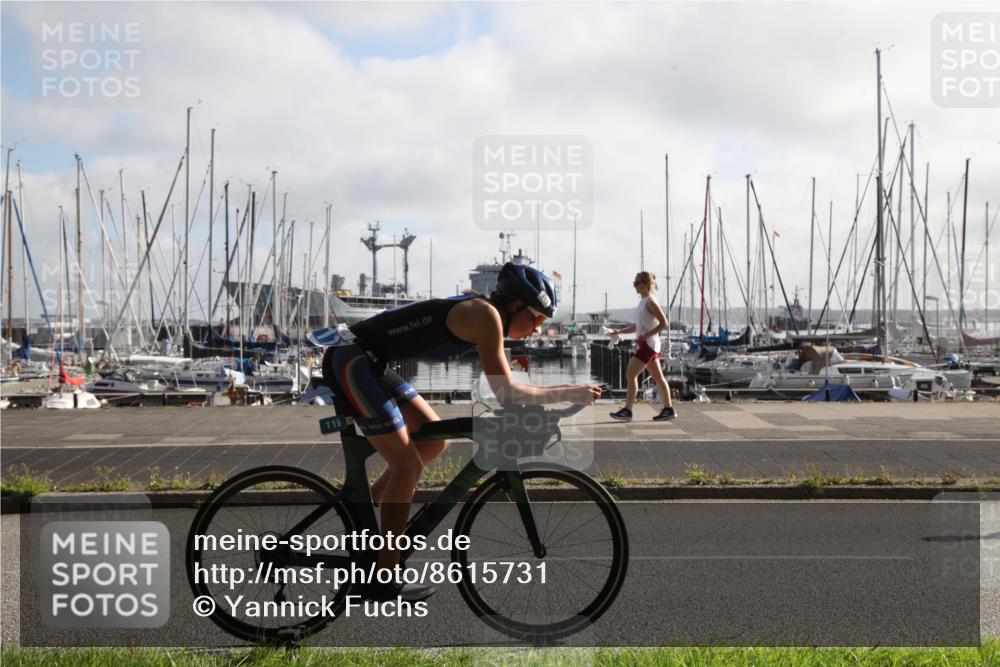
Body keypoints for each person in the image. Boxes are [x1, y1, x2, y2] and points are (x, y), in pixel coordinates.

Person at [321, 262, 602, 602]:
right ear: (515, 305)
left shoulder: (486, 313)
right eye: (537, 318)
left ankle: (365, 507)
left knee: (435, 439)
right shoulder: (486, 316)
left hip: (370, 362)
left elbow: (502, 386)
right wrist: (567, 392)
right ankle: (383, 577)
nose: (538, 328)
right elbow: (507, 393)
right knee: (407, 465)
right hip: (352, 363)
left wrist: (544, 399)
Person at [608, 271, 676, 422]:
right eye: (634, 283)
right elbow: (637, 326)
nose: (634, 286)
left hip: (648, 345)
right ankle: (668, 409)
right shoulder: (643, 301)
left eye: (637, 283)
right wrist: (620, 331)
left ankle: (627, 410)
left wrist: (647, 335)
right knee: (658, 377)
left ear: (645, 284)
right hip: (646, 344)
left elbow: (664, 322)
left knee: (631, 374)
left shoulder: (651, 301)